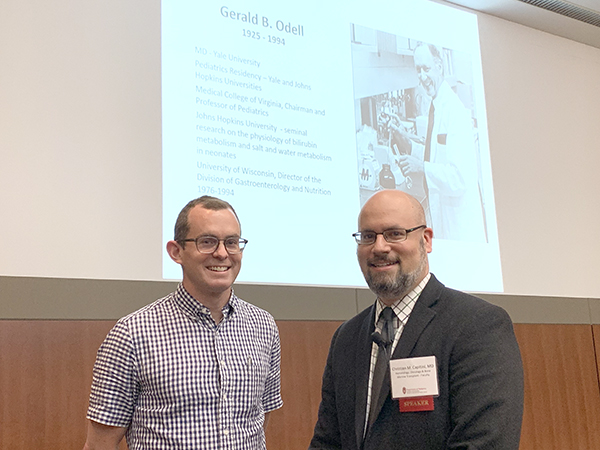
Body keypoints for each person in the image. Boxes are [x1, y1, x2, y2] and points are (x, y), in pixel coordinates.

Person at [309, 190, 523, 450]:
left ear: (426, 239)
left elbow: (485, 443)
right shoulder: (346, 337)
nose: (379, 247)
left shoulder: (478, 325)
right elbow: (328, 442)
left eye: (395, 233)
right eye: (368, 236)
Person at [83, 196, 282, 450]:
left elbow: (258, 421)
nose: (222, 253)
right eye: (207, 242)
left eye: (231, 242)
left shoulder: (263, 327)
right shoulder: (132, 334)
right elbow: (101, 444)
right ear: (176, 252)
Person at [390, 43, 486, 242]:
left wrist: (422, 168)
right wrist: (406, 141)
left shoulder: (454, 111)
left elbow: (458, 178)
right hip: (446, 220)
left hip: (460, 228)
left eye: (426, 69)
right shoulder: (437, 105)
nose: (423, 77)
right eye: (419, 70)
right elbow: (435, 154)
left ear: (439, 66)